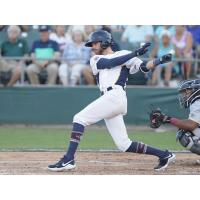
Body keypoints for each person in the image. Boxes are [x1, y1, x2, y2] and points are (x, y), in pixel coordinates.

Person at [48, 30, 175, 172]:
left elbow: (144, 67)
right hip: (109, 99)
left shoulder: (125, 54)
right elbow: (110, 63)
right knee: (123, 144)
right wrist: (135, 53)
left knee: (79, 118)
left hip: (115, 95)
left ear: (105, 42)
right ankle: (164, 155)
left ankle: (68, 159)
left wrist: (160, 60)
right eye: (92, 44)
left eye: (95, 43)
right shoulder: (95, 59)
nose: (93, 46)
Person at [150, 79, 200, 163]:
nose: (183, 95)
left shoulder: (198, 102)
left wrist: (167, 119)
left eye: (186, 91)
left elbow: (191, 125)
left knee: (184, 133)